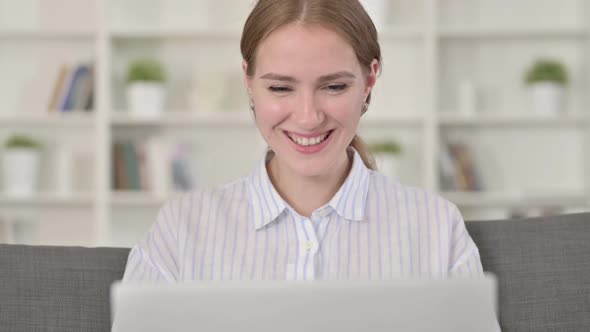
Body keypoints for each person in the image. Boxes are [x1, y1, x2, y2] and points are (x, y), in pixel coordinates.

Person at [122, 0, 484, 282]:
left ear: (369, 80)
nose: (308, 117)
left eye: (334, 86)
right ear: (249, 82)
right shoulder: (182, 230)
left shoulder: (436, 228)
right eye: (280, 87)